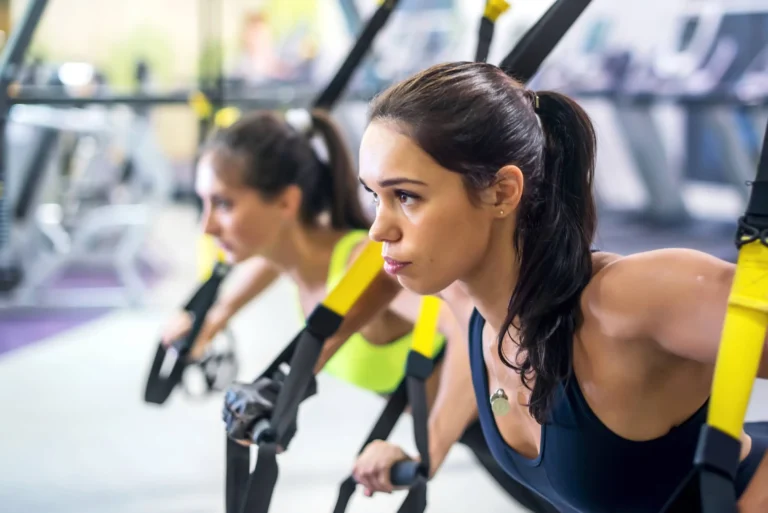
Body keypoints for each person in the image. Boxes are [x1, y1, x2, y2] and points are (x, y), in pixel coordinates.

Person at [351, 61, 768, 512]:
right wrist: (425, 452)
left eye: (406, 196)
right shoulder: (468, 305)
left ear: (502, 192)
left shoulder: (629, 301)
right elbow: (357, 289)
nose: (379, 228)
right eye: (375, 196)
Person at [161, 108, 558, 512]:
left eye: (223, 203)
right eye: (204, 202)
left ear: (285, 202)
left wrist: (428, 449)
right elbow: (268, 263)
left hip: (515, 423)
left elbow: (472, 326)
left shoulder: (371, 269)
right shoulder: (303, 268)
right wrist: (211, 320)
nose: (206, 226)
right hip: (484, 431)